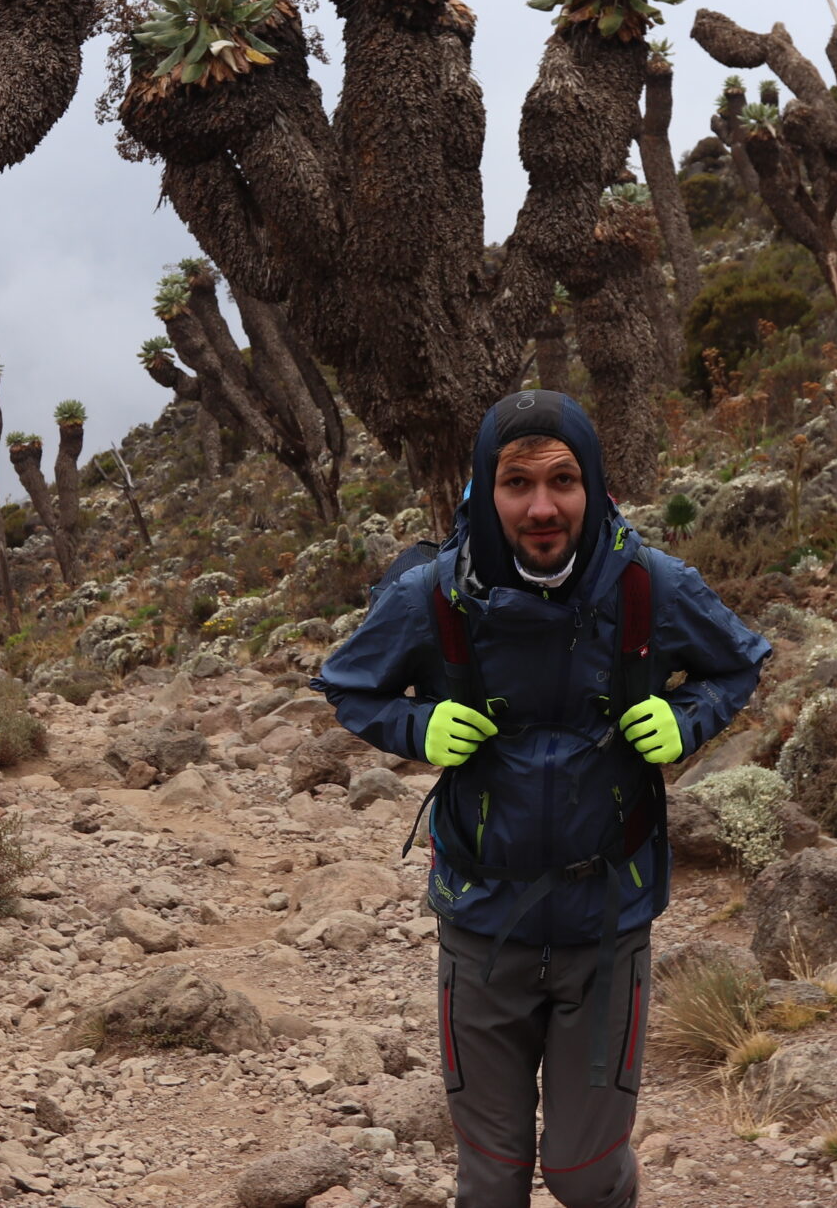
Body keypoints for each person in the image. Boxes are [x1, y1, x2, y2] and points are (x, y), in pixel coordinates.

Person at [318, 391, 769, 1208]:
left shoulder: (650, 585)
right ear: (482, 491)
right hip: (482, 922)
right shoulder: (435, 594)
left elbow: (737, 664)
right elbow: (349, 683)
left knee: (584, 1173)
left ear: (593, 484)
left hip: (610, 921)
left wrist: (687, 715)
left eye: (562, 480)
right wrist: (419, 726)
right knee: (489, 1178)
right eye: (515, 481)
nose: (540, 505)